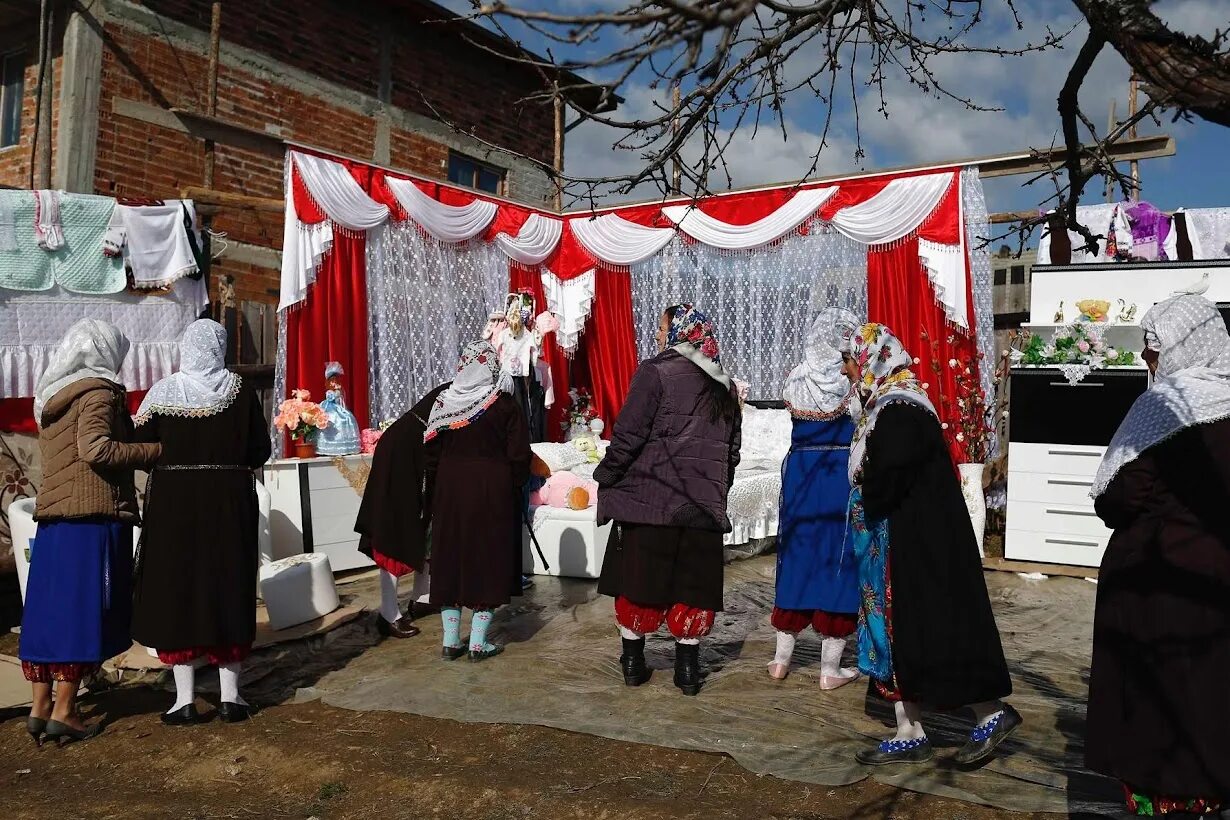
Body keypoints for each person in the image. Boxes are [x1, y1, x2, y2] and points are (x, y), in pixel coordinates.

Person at [844, 323, 1018, 766]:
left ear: (872, 359)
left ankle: (989, 714)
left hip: (921, 550)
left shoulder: (899, 408)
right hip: (909, 548)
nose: (847, 370)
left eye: (850, 360)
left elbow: (888, 477)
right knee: (911, 635)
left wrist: (865, 491)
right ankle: (910, 727)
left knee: (938, 632)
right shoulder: (891, 405)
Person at [1086, 293, 1230, 816]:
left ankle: (1167, 801)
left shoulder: (1165, 407)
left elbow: (1120, 495)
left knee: (1159, 703)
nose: (1150, 363)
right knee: (1212, 695)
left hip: (1159, 583)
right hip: (1217, 581)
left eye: (1155, 350)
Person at [20, 319, 161, 746]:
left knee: (48, 612)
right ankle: (66, 710)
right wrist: (153, 451)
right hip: (91, 514)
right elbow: (96, 448)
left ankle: (40, 706)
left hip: (55, 517)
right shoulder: (99, 392)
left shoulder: (51, 396)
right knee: (81, 611)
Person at [129, 320, 272, 725]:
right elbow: (259, 450)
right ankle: (231, 698)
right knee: (228, 583)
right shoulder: (240, 391)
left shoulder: (163, 392)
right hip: (228, 504)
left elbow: (139, 442)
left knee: (179, 587)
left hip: (174, 506)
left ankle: (184, 701)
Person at [596, 304, 742, 697]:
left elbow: (627, 436)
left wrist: (606, 475)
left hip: (651, 502)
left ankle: (632, 664)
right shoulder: (724, 384)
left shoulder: (655, 372)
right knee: (692, 589)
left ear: (680, 331)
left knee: (640, 585)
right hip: (701, 509)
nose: (657, 335)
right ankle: (688, 673)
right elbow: (731, 452)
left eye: (661, 328)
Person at [770, 307, 862, 687]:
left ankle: (779, 662)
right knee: (838, 561)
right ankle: (829, 670)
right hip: (838, 474)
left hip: (801, 476)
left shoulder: (797, 377)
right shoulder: (852, 381)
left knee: (797, 556)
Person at [424, 341, 530, 662]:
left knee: (451, 559)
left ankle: (450, 640)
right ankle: (478, 643)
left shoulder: (444, 401)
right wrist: (513, 486)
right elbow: (519, 455)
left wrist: (438, 489)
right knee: (486, 561)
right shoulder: (503, 402)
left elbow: (429, 453)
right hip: (491, 492)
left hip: (450, 492)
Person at [354, 381, 451, 639]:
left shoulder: (466, 392)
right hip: (403, 456)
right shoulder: (461, 393)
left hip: (422, 456)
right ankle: (388, 613)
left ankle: (422, 597)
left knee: (429, 524)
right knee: (396, 529)